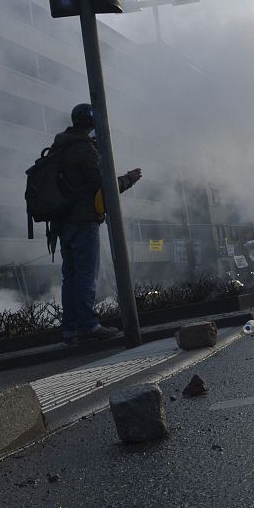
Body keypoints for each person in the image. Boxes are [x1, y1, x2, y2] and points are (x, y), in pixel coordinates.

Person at [55, 103, 142, 344]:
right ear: (93, 123)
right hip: (83, 219)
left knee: (70, 274)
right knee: (85, 272)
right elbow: (103, 186)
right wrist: (128, 179)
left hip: (63, 221)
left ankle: (71, 327)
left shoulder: (60, 146)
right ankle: (87, 325)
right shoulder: (83, 148)